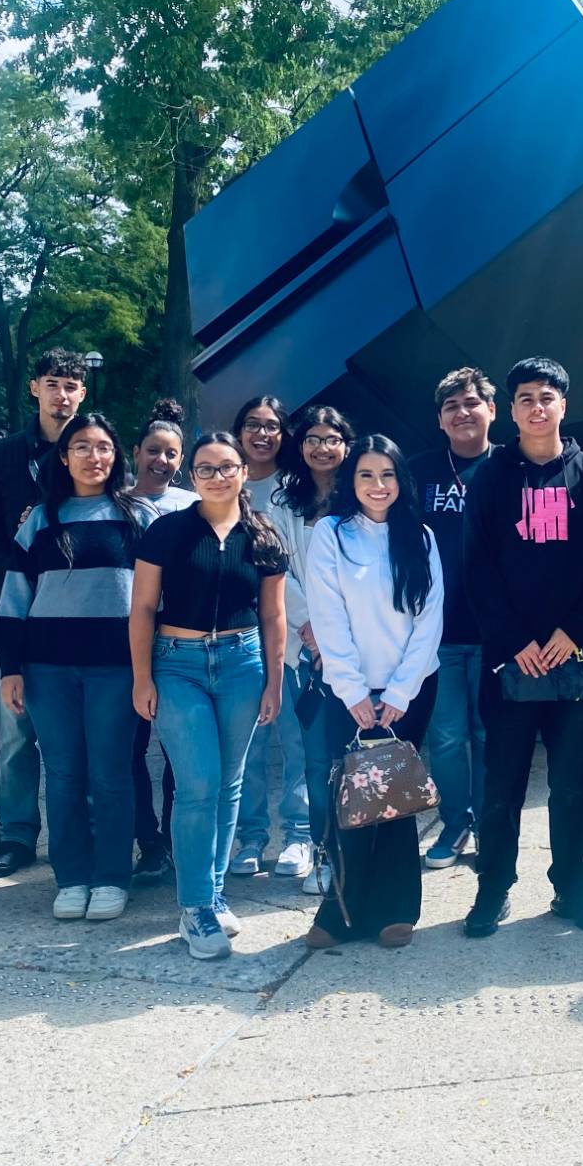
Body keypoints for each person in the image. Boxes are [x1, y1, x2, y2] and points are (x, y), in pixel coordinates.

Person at [463, 357, 583, 938]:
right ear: (511, 410)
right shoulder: (491, 478)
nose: (537, 406)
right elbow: (476, 568)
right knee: (501, 784)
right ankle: (492, 888)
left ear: (564, 404)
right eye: (525, 397)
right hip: (510, 662)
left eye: (547, 396)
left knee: (573, 785)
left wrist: (571, 633)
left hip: (575, 662)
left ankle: (571, 886)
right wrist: (515, 641)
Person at [131, 432, 289, 959]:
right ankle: (195, 906)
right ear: (190, 477)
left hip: (243, 663)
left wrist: (274, 679)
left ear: (244, 472)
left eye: (227, 467)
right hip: (179, 664)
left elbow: (273, 614)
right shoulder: (168, 531)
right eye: (205, 468)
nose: (217, 476)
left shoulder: (263, 535)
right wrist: (142, 677)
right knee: (197, 784)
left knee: (229, 784)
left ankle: (215, 892)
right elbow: (143, 609)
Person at [0, 412, 155, 922]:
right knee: (62, 774)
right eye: (81, 447)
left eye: (103, 447)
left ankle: (111, 875)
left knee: (110, 774)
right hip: (48, 670)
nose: (93, 457)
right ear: (63, 457)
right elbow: (14, 599)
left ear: (116, 455)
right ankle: (71, 876)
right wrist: (10, 667)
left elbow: (161, 598)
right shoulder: (42, 520)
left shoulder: (139, 517)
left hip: (117, 670)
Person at [303, 435, 444, 948]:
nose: (377, 485)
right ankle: (341, 910)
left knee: (396, 796)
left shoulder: (420, 536)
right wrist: (353, 690)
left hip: (409, 690)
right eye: (365, 475)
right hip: (351, 692)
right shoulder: (331, 535)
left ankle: (396, 907)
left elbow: (429, 620)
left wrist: (400, 693)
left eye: (387, 474)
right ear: (351, 480)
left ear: (400, 480)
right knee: (353, 796)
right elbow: (328, 616)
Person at [0, 348, 88, 878]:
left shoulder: (96, 448)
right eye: (52, 383)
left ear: (82, 392)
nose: (61, 394)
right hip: (21, 604)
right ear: (35, 390)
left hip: (83, 608)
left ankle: (84, 827)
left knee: (82, 728)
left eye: (70, 385)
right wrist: (17, 579)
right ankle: (17, 832)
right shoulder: (3, 456)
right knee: (17, 725)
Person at [407, 368, 497, 868]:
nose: (463, 413)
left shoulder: (510, 467)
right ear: (440, 421)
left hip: (496, 633)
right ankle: (454, 823)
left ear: (491, 410)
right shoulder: (419, 472)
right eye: (451, 407)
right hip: (434, 633)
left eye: (471, 403)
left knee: (487, 733)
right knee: (444, 737)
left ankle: (489, 825)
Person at [267, 403, 355, 894]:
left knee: (357, 755)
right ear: (300, 447)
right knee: (316, 757)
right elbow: (277, 569)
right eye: (313, 439)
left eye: (332, 437)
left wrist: (339, 633)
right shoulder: (282, 500)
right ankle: (323, 852)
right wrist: (314, 631)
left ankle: (357, 853)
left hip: (359, 645)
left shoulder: (364, 493)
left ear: (346, 442)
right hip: (306, 646)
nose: (322, 447)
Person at [228, 394, 309, 877]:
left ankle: (298, 835)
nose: (262, 434)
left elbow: (294, 565)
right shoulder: (221, 485)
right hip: (236, 637)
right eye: (253, 424)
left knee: (296, 739)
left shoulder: (291, 492)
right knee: (248, 745)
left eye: (272, 426)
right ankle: (250, 837)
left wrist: (301, 622)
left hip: (292, 635)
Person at [126, 399, 195, 882]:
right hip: (123, 640)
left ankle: (174, 838)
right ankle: (147, 841)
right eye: (154, 450)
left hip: (177, 642)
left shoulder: (194, 505)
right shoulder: (114, 502)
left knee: (177, 751)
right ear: (136, 452)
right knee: (129, 749)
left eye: (172, 453)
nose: (162, 461)